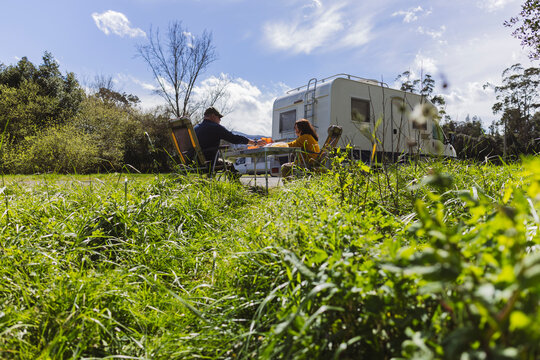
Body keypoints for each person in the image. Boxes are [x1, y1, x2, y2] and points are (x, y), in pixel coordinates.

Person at [194, 107, 259, 166]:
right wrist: (254, 142)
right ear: (213, 116)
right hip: (208, 162)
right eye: (219, 118)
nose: (220, 120)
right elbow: (234, 139)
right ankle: (235, 179)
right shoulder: (216, 127)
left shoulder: (195, 128)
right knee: (230, 166)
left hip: (193, 162)